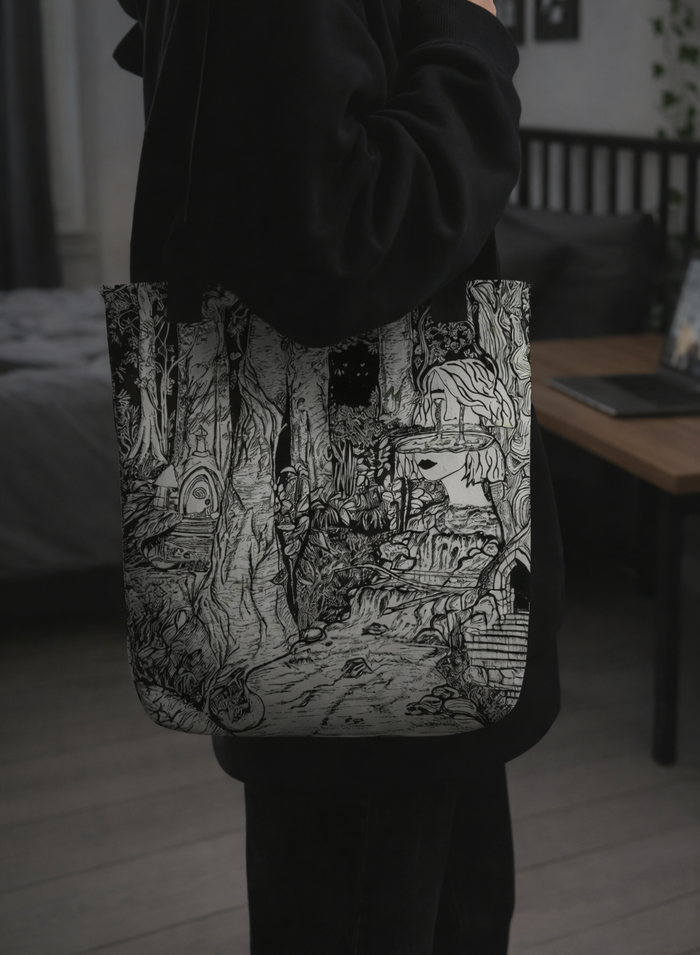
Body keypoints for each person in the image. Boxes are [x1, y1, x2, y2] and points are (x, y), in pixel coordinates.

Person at [113, 1, 565, 952]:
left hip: (372, 573)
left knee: (425, 900)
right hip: (369, 581)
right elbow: (338, 246)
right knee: (379, 903)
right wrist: (466, 26)